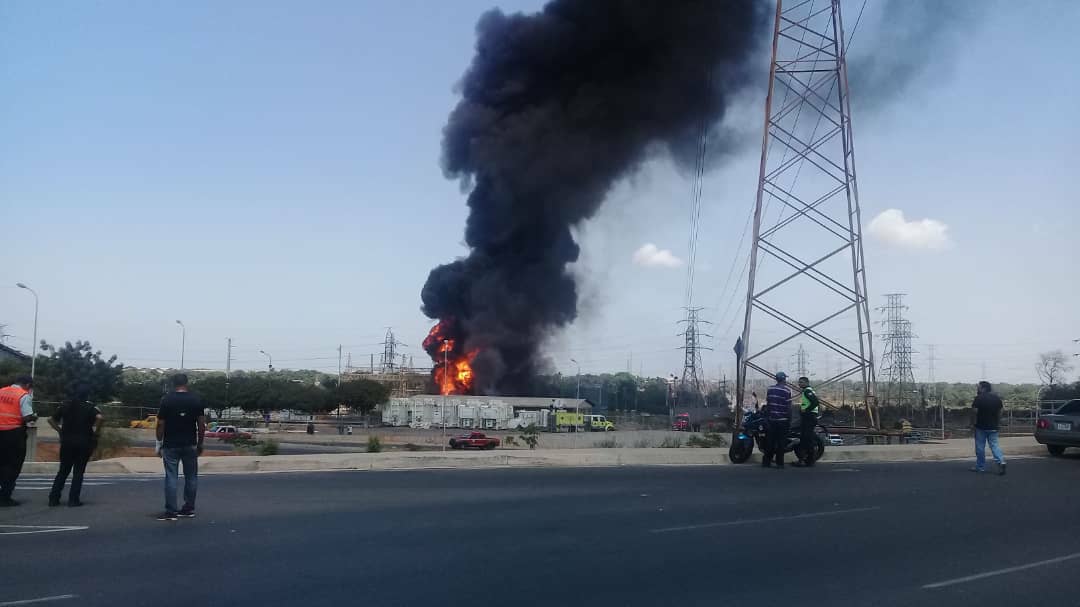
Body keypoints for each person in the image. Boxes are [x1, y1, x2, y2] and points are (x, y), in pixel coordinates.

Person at [156, 373, 206, 521]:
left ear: (173, 383)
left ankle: (171, 511)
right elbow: (201, 425)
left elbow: (160, 423)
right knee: (191, 477)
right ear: (186, 383)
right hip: (190, 443)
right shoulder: (196, 400)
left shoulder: (167, 400)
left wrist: (159, 443)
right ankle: (188, 508)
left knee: (171, 476)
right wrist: (200, 443)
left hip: (171, 444)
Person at [47, 387, 103, 507]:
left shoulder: (65, 405)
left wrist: (60, 431)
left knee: (63, 471)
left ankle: (53, 498)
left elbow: (50, 419)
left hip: (67, 441)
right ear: (86, 396)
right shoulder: (90, 407)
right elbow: (100, 418)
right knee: (78, 472)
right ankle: (73, 500)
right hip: (83, 442)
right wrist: (96, 432)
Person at [0, 375, 36, 507]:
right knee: (13, 466)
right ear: (27, 385)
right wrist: (34, 416)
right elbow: (27, 417)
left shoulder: (1, 391)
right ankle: (5, 497)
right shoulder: (23, 395)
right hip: (13, 434)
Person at [971, 381, 1006, 475]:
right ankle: (1001, 461)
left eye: (979, 387)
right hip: (993, 426)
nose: (977, 388)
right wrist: (997, 422)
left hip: (981, 426)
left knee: (980, 447)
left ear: (983, 388)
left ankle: (980, 467)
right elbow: (1001, 411)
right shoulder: (996, 398)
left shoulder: (978, 398)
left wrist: (973, 423)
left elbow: (974, 411)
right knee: (994, 446)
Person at [763, 372, 792, 469]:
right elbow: (788, 407)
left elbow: (768, 404)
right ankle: (779, 463)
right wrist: (790, 419)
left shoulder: (770, 389)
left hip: (771, 420)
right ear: (783, 379)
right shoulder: (787, 391)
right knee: (781, 442)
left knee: (770, 441)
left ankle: (766, 462)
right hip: (782, 420)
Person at [793, 377, 820, 467]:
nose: (799, 384)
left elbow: (815, 402)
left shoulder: (807, 391)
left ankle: (809, 460)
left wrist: (807, 410)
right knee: (804, 438)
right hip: (807, 417)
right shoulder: (806, 391)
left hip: (809, 417)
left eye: (801, 382)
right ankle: (805, 460)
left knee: (807, 438)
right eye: (799, 382)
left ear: (807, 382)